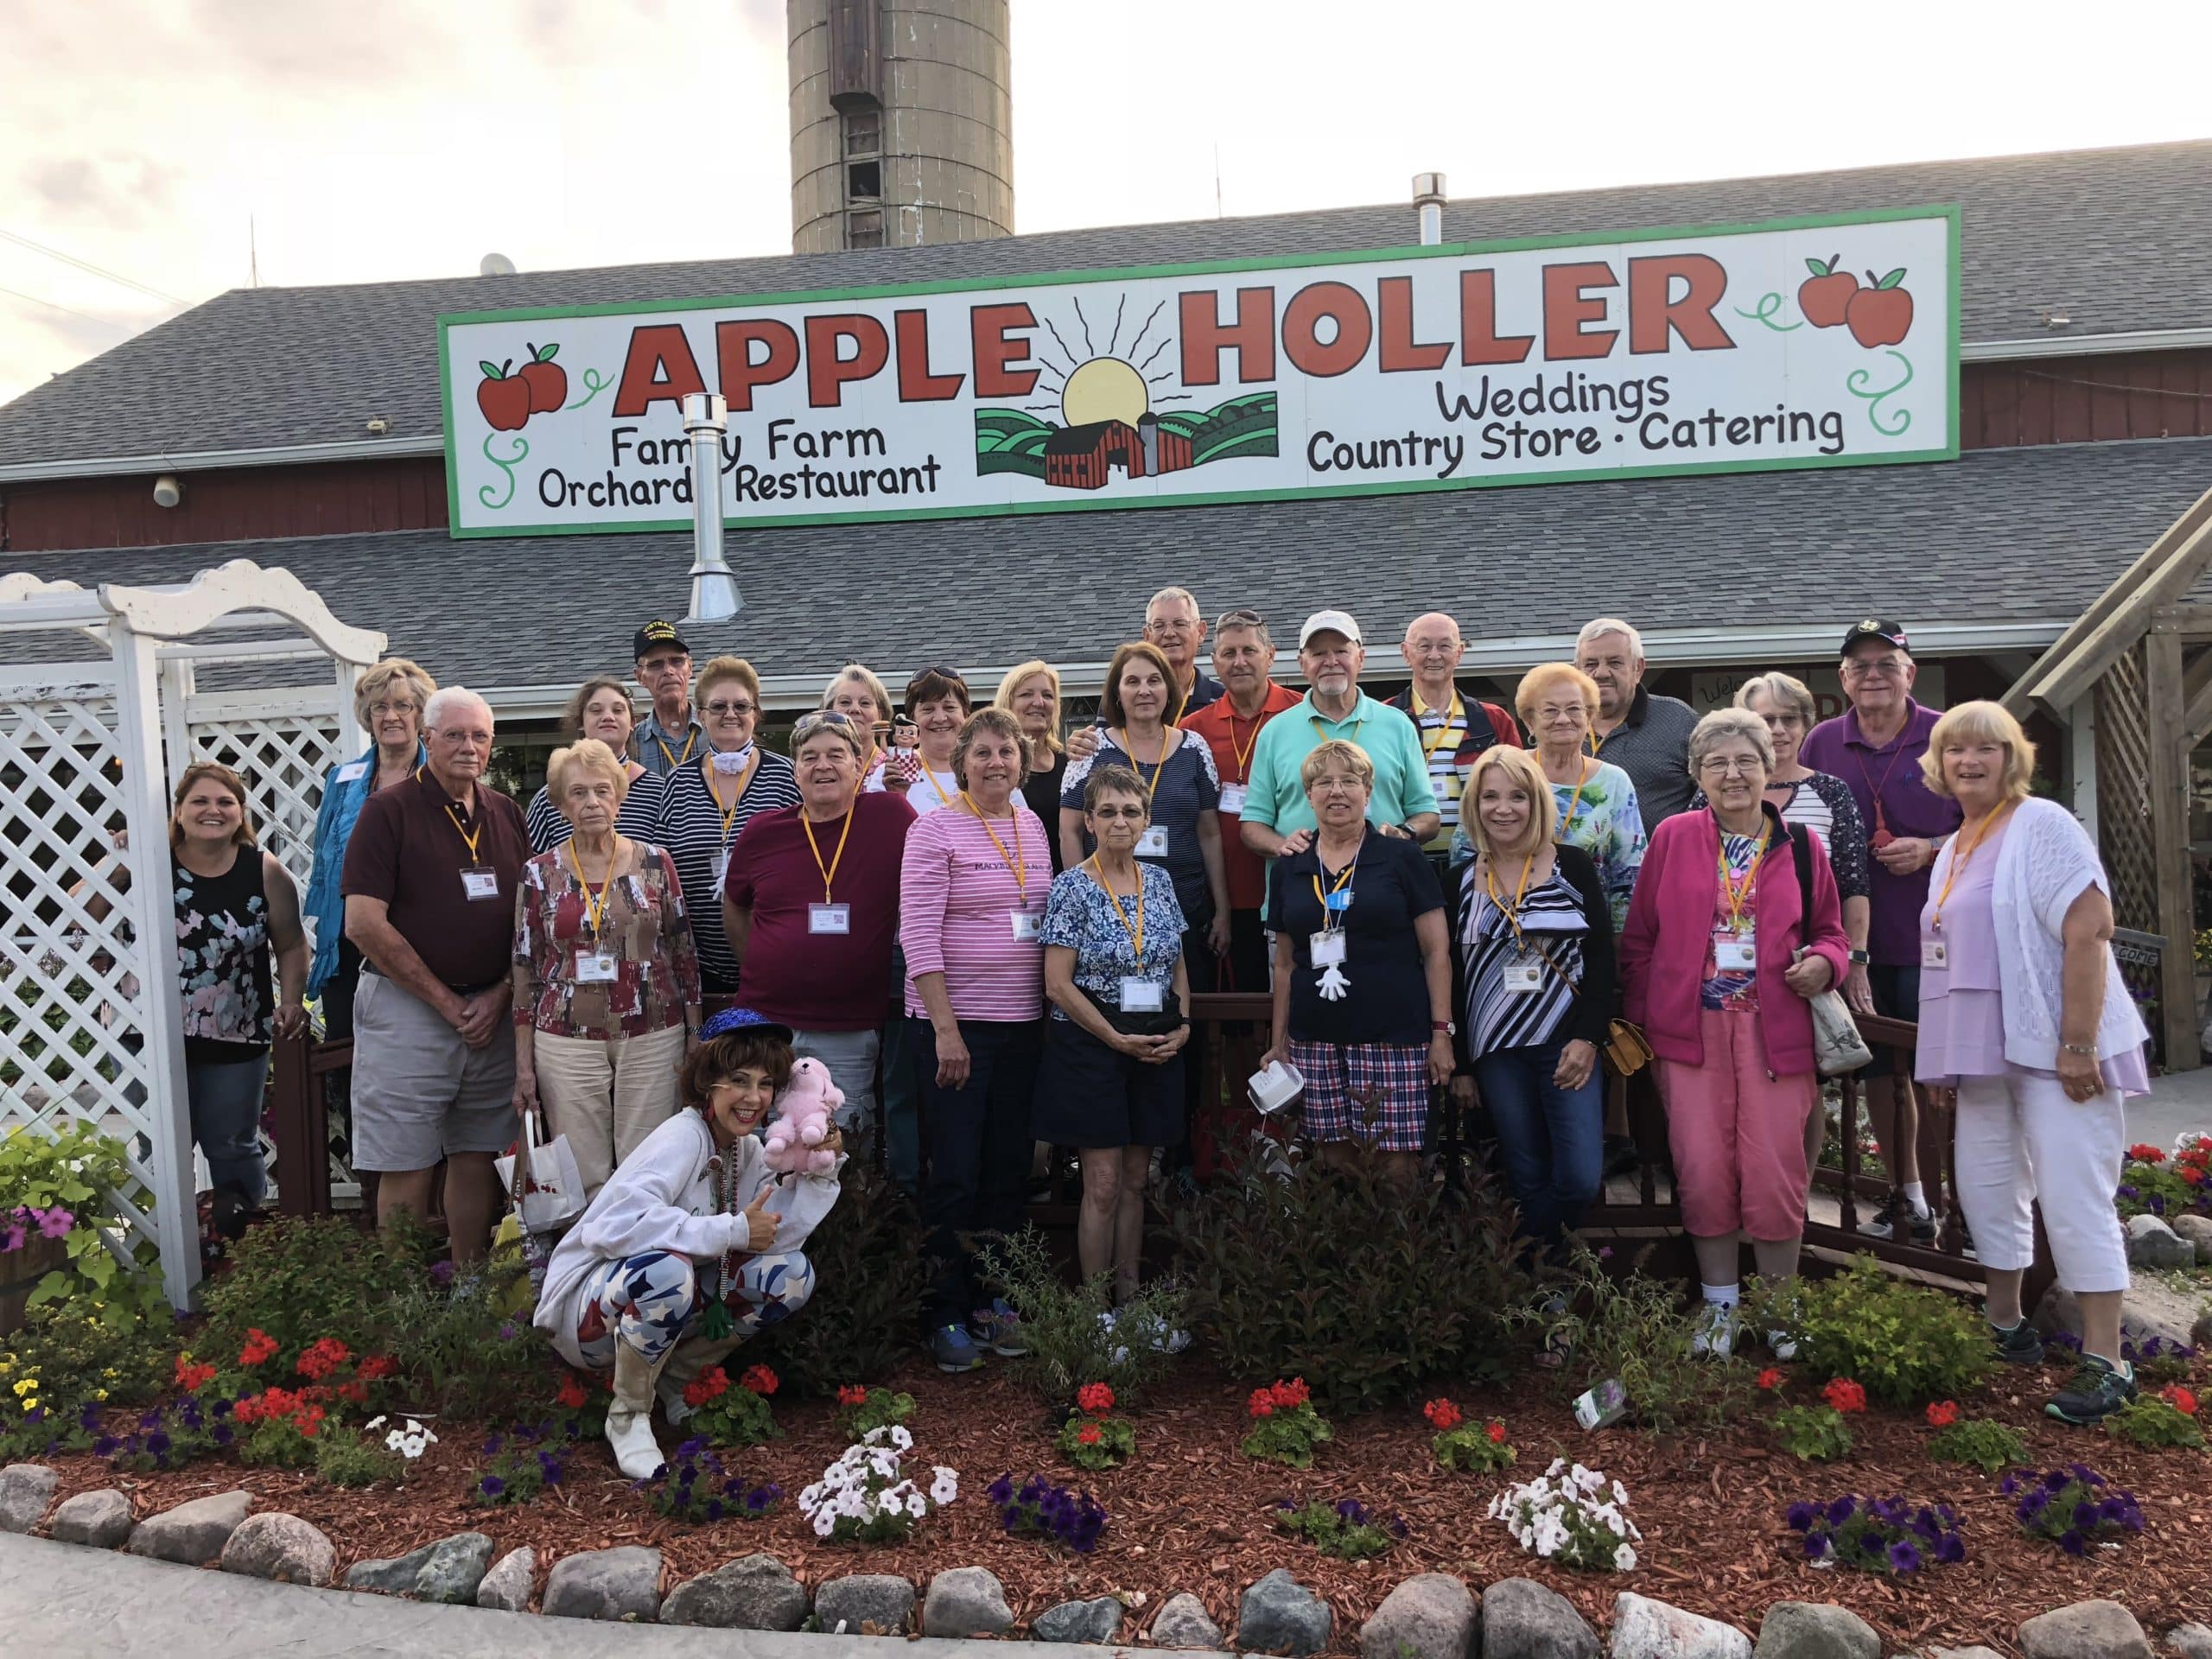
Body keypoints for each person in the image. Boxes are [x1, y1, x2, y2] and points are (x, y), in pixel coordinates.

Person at [1914, 702, 2150, 1425]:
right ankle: (2007, 1328)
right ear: (1940, 763)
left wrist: (2077, 1044)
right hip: (1986, 1055)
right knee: (1987, 1190)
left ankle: (2108, 1360)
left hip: (2056, 1049)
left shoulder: (2042, 824)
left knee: (2075, 1195)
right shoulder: (1956, 843)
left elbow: (2090, 931)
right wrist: (1950, 1063)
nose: (1970, 761)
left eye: (1987, 748)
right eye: (1956, 750)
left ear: (2012, 757)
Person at [1619, 709, 1851, 1357]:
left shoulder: (1801, 846)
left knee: (1775, 1171)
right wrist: (1649, 1017)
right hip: (1691, 1037)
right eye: (1717, 763)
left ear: (1768, 766)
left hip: (1776, 1035)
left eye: (1745, 759)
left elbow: (1834, 933)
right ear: (1697, 774)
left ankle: (1780, 1310)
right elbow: (1640, 939)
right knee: (1703, 1170)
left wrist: (1825, 964)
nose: (1733, 774)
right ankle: (1720, 1307)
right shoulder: (1672, 836)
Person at [535, 1007, 842, 1478]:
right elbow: (613, 1227)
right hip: (586, 1318)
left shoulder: (747, 1149)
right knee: (666, 1271)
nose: (753, 1098)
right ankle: (629, 1414)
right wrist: (732, 1231)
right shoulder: (681, 1137)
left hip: (656, 1309)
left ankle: (678, 1381)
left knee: (792, 1276)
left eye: (765, 1084)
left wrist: (819, 1172)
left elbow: (775, 1237)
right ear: (707, 1082)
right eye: (739, 1080)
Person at [341, 686, 530, 1260]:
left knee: (476, 1154)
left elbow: (528, 920)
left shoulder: (505, 812)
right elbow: (363, 924)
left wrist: (499, 994)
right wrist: (447, 1003)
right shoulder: (388, 811)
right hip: (410, 1010)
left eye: (479, 736)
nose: (468, 747)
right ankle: (405, 1303)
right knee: (406, 1160)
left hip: (489, 1013)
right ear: (427, 740)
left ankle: (468, 1289)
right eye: (453, 734)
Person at [1798, 620, 1962, 1245]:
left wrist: (1932, 848)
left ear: (1909, 673)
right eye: (1859, 666)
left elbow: (1989, 823)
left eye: (1885, 664)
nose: (1873, 676)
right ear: (1843, 679)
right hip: (1853, 946)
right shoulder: (1821, 742)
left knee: (1939, 1079)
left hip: (1938, 940)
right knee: (1880, 1080)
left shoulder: (1945, 736)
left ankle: (1959, 1208)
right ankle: (1910, 1197)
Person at [899, 708, 1049, 1374]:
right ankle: (946, 1310)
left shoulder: (1034, 825)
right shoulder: (934, 828)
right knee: (955, 1172)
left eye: (1006, 753)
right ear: (962, 763)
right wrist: (946, 1030)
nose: (996, 763)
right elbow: (918, 936)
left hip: (1023, 1026)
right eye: (983, 753)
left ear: (1022, 762)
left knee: (1006, 1169)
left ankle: (997, 1300)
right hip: (954, 1029)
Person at [89, 765, 310, 1208]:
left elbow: (291, 944)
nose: (213, 810)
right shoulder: (145, 861)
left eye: (225, 802)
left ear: (240, 811)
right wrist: (116, 859)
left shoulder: (262, 870)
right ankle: (163, 1247)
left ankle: (239, 1249)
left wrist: (291, 1002)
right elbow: (82, 915)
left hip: (237, 1034)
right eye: (200, 802)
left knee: (232, 1145)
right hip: (142, 1032)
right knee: (161, 1146)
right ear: (178, 812)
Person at [1690, 672, 1876, 1183]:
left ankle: (1799, 1189)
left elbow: (1853, 883)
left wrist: (1851, 962)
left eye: (1787, 718)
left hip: (1801, 969)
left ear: (1805, 725)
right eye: (1764, 719)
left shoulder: (1831, 793)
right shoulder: (1707, 796)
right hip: (1719, 988)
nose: (1776, 729)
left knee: (1802, 1088)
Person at [512, 739, 702, 1201]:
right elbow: (524, 966)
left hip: (653, 1031)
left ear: (619, 796)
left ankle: (647, 1268)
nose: (592, 802)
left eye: (602, 790)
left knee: (649, 1163)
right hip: (565, 1036)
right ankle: (588, 1268)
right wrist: (523, 1062)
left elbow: (682, 951)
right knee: (581, 1173)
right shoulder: (538, 872)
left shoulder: (656, 862)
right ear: (559, 803)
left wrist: (696, 1036)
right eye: (578, 793)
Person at [1259, 740, 1452, 1185]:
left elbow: (1436, 951)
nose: (1337, 791)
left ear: (1368, 791)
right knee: (1333, 1161)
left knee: (1396, 1167)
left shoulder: (1401, 857)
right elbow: (1285, 965)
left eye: (1349, 780)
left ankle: (1398, 1257)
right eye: (1323, 782)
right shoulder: (1291, 866)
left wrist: (1442, 1033)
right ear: (1309, 795)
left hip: (1393, 1037)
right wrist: (1279, 1042)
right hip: (1316, 1041)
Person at [723, 710, 916, 1154]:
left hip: (847, 1026)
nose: (822, 766)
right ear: (795, 769)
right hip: (765, 1024)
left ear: (859, 766)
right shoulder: (764, 830)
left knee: (839, 1148)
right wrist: (764, 961)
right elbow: (735, 905)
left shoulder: (890, 817)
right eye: (809, 757)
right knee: (760, 1146)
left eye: (836, 754)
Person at [1449, 747, 1614, 1254]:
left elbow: (1604, 961)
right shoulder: (1458, 877)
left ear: (1536, 802)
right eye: (1490, 796)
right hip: (1496, 1051)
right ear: (1474, 806)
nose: (1504, 809)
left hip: (1566, 1044)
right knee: (1524, 1173)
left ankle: (1519, 1266)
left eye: (1517, 796)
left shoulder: (1573, 866)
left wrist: (1588, 1037)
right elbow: (1452, 975)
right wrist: (1460, 1065)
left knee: (1580, 1177)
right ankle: (1547, 1289)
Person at [1037, 764, 1191, 1300]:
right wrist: (1113, 1038)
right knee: (1101, 1184)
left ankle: (1130, 1303)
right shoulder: (1071, 888)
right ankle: (1093, 1311)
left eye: (1130, 811)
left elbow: (1177, 968)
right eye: (1107, 812)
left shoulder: (1162, 882)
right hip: (1091, 1045)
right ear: (1089, 821)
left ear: (1146, 819)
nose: (1120, 821)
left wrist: (1185, 1024)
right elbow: (1057, 984)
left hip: (1153, 1045)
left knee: (1135, 1180)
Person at [1242, 611, 1440, 899]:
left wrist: (1406, 833)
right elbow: (1252, 825)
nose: (1330, 661)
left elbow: (1428, 816)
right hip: (1300, 897)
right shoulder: (1274, 733)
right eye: (1319, 653)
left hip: (1387, 894)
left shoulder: (1398, 725)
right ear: (1302, 663)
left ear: (1360, 657)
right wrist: (1281, 845)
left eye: (1341, 651)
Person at [652, 656, 800, 1001]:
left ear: (756, 714)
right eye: (718, 706)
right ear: (701, 716)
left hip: (777, 960)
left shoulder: (787, 776)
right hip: (697, 965)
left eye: (741, 705)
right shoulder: (678, 782)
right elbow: (660, 874)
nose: (730, 714)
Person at [1454, 664, 1645, 921]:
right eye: (1550, 711)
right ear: (1530, 722)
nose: (1563, 719)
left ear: (1589, 717)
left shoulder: (1613, 782)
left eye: (1574, 709)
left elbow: (1629, 873)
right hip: (1501, 925)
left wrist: (1620, 946)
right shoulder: (1503, 771)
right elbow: (1465, 850)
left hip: (1589, 929)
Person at [305, 658, 433, 1039]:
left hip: (416, 936)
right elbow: (324, 859)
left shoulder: (438, 780)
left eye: (402, 706)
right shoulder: (342, 779)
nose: (391, 716)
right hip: (348, 935)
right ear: (368, 716)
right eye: (380, 707)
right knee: (346, 1049)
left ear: (421, 715)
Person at [1179, 607, 1301, 995]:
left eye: (1249, 651)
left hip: (1292, 884)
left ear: (1271, 655)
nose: (1239, 661)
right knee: (1233, 1013)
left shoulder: (1302, 714)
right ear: (1214, 662)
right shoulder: (1193, 729)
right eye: (1228, 654)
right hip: (1224, 893)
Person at [1387, 611, 1522, 873]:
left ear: (1459, 653)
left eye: (1445, 646)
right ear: (1406, 653)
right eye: (1424, 646)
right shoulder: (1385, 719)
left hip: (1481, 864)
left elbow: (1522, 792)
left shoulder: (1494, 720)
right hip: (1404, 865)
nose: (1434, 655)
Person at [1575, 618, 1699, 832]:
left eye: (1615, 662)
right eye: (1591, 664)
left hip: (1664, 863)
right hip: (1578, 865)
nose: (1602, 673)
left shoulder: (1678, 720)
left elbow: (1713, 796)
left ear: (1638, 668)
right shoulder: (1560, 726)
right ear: (1577, 670)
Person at [524, 677, 667, 854]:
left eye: (618, 710)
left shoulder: (661, 793)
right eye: (596, 710)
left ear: (632, 723)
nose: (608, 717)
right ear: (581, 723)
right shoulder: (550, 798)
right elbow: (531, 862)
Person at [998, 660, 1071, 875]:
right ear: (1008, 703)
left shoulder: (1070, 764)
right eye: (1026, 694)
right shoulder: (995, 768)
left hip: (1063, 889)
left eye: (1048, 696)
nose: (1038, 702)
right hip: (1013, 885)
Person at [822, 663, 918, 796]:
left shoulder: (896, 767)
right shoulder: (817, 768)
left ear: (881, 714)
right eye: (845, 702)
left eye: (865, 703)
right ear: (828, 711)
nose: (855, 709)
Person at [633, 620, 705, 779]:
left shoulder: (717, 732)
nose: (668, 671)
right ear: (639, 677)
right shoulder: (630, 743)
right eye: (655, 664)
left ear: (690, 667)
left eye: (677, 661)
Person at [1142, 585, 1226, 717]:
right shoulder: (1128, 701)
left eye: (1180, 624)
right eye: (1159, 626)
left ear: (1201, 631)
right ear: (1147, 636)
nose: (1169, 633)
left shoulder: (1224, 699)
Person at [899, 665, 972, 816]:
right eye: (928, 709)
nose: (940, 718)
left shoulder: (991, 768)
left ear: (965, 714)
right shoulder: (892, 773)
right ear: (912, 719)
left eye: (949, 707)